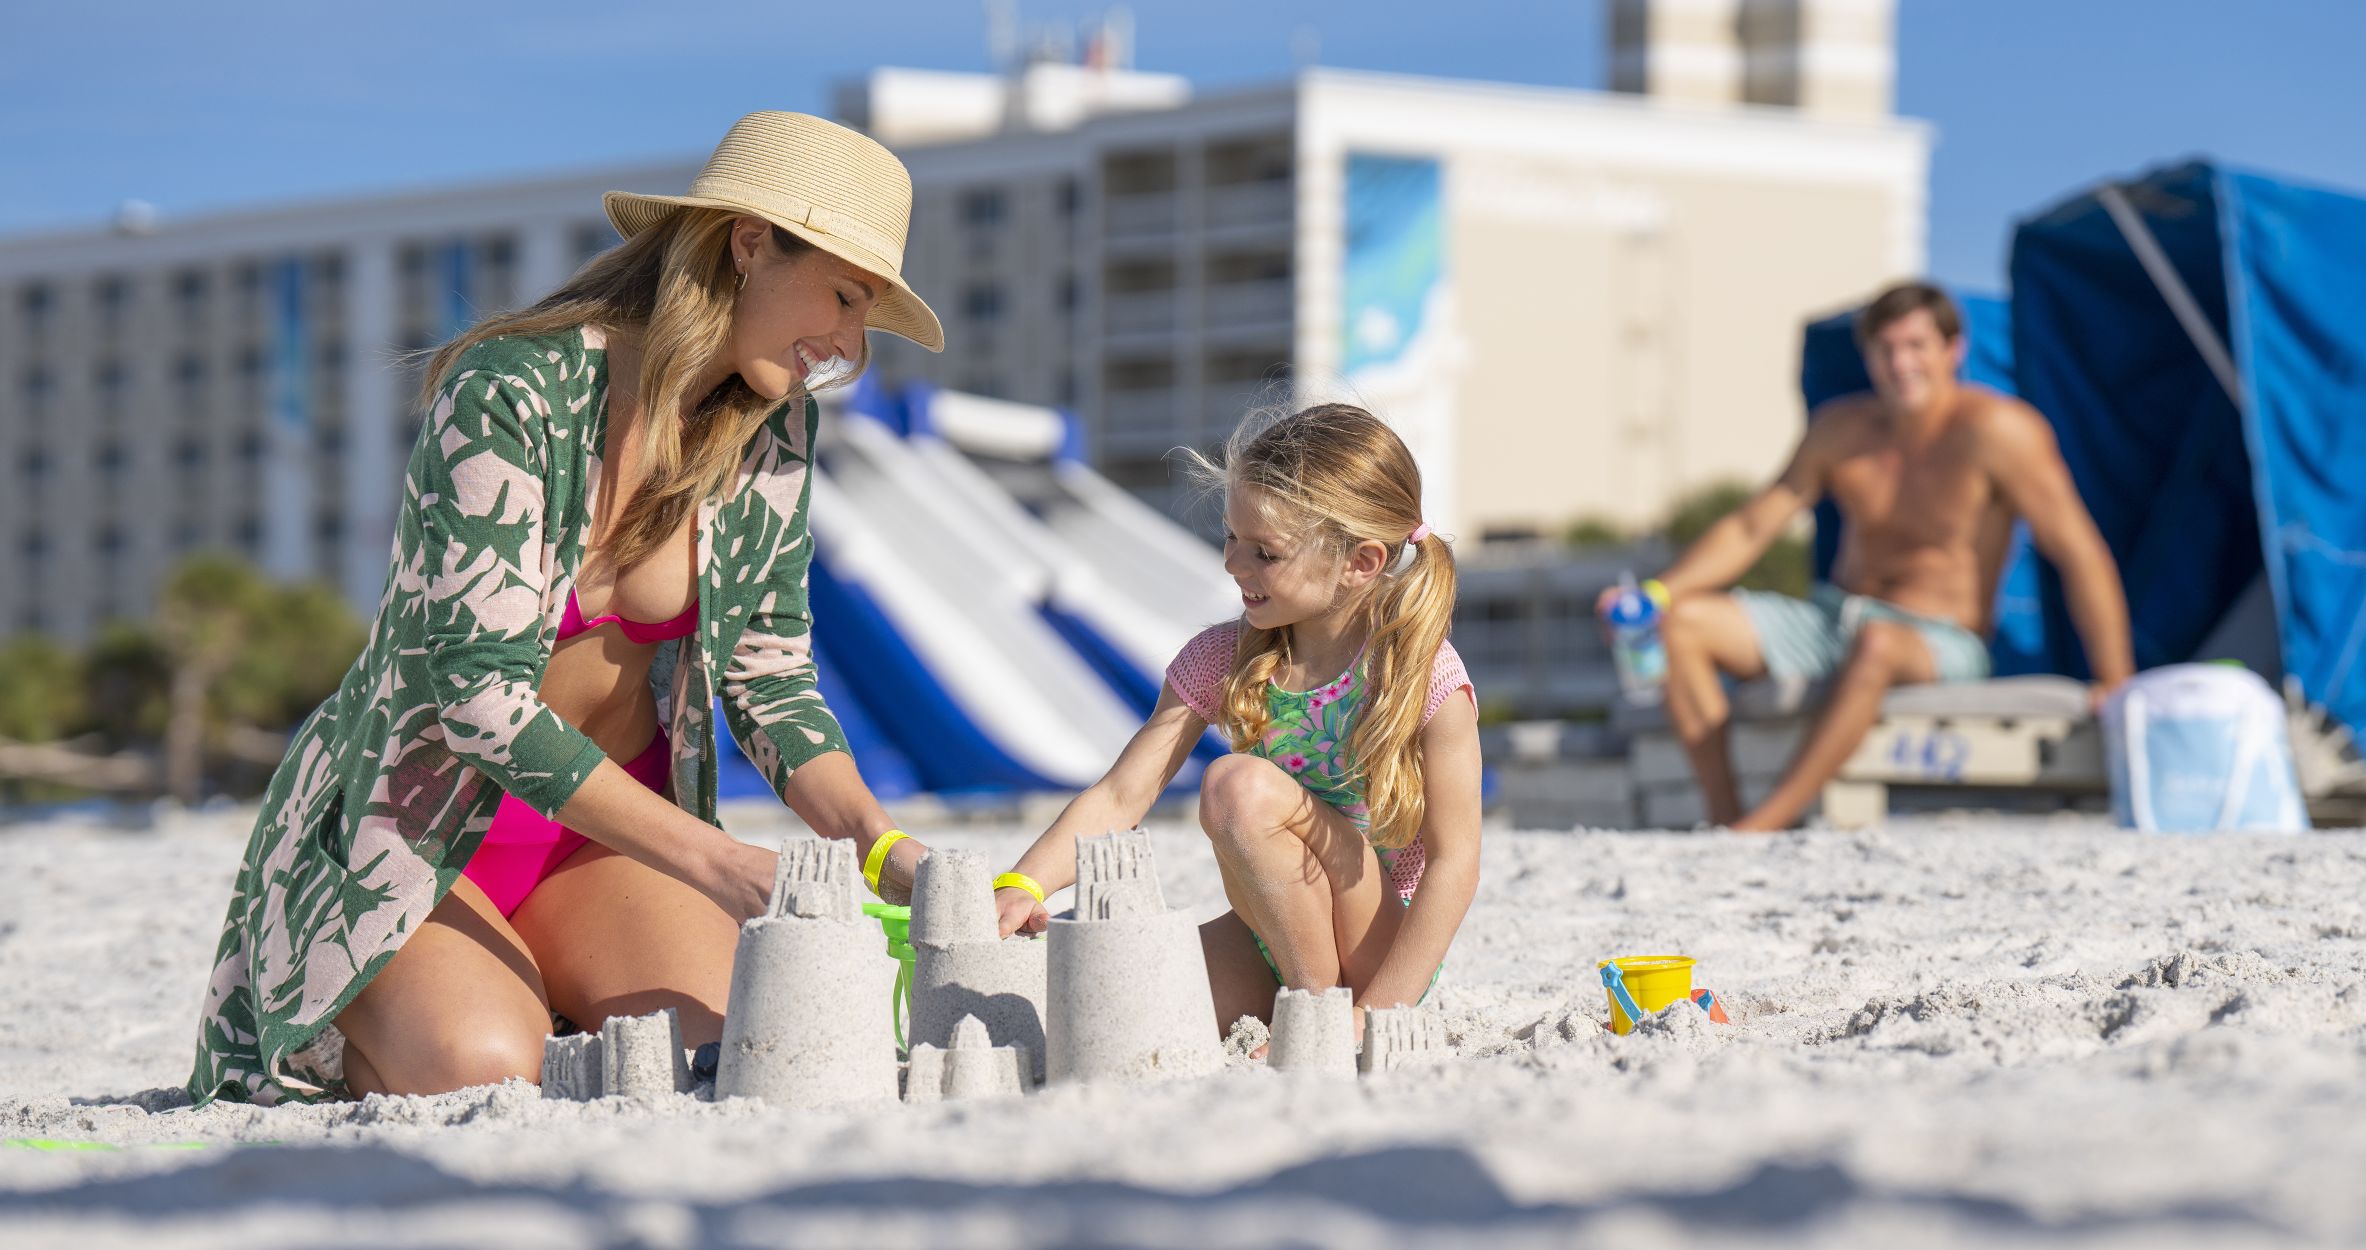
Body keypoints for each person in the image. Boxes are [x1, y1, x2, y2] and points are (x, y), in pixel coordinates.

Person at [187, 112, 949, 1104]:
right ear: (749, 242)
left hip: (604, 843)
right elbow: (475, 696)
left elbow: (770, 672)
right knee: (480, 1067)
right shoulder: (511, 394)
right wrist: (718, 861)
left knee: (738, 1044)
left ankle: (533, 987)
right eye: (845, 298)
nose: (848, 345)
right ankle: (439, 1004)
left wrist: (880, 843)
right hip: (419, 835)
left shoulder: (772, 428)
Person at [992, 404, 1482, 1040]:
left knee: (1236, 787)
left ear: (1359, 562)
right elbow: (1121, 794)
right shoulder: (1223, 657)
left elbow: (1455, 863)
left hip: (1378, 946)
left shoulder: (1423, 675)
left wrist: (1377, 1015)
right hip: (1269, 934)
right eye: (1230, 537)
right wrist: (1023, 883)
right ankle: (1307, 1003)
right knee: (1122, 1011)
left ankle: (1317, 1017)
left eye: (1264, 552)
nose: (1232, 563)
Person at [1604, 282, 2134, 832]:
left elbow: (2079, 552)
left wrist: (2114, 679)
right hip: (1836, 618)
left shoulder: (1999, 431)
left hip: (1937, 639)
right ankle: (1724, 818)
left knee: (1876, 643)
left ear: (1953, 351)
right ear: (1869, 358)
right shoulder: (1841, 429)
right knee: (1684, 624)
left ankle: (1762, 826)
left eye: (1916, 346)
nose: (1901, 363)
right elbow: (1751, 526)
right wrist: (1654, 596)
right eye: (1886, 349)